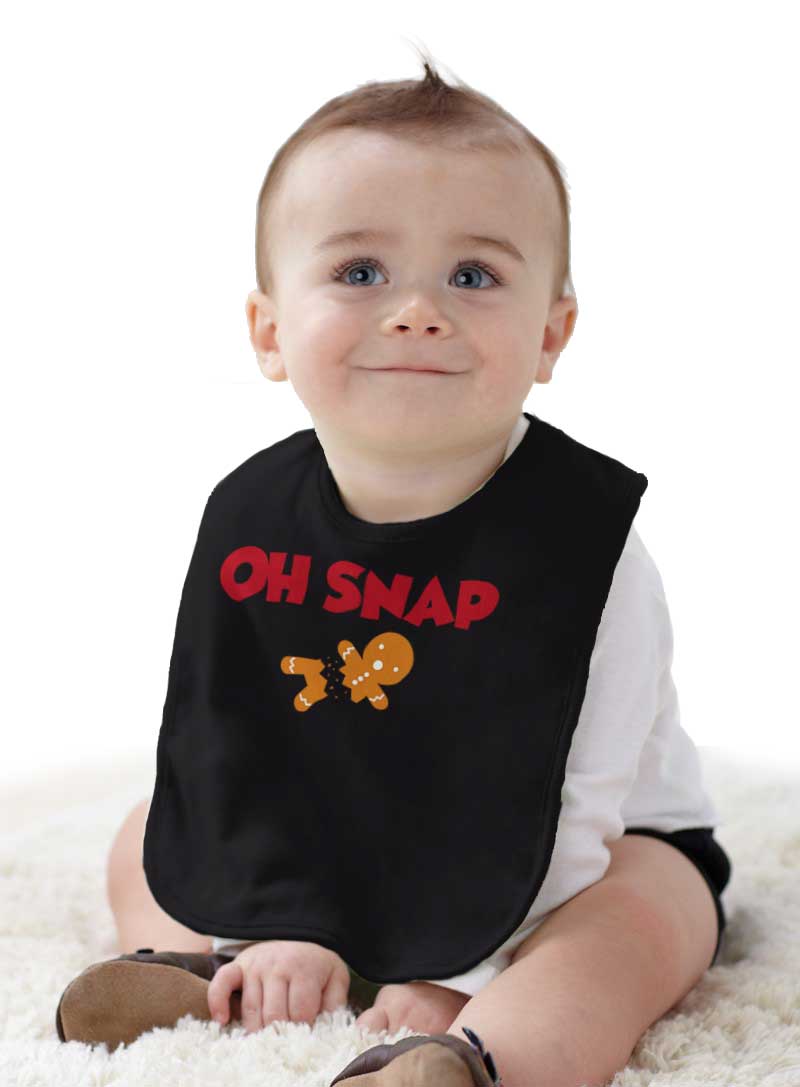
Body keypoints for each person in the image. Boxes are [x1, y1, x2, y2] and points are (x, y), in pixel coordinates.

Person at [56, 47, 732, 1087]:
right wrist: (271, 918)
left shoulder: (581, 547)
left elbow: (573, 800)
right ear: (269, 330)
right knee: (154, 824)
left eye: (474, 275)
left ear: (550, 334)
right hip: (333, 810)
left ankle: (478, 1053)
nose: (418, 309)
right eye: (360, 272)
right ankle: (203, 963)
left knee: (648, 909)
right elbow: (231, 738)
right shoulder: (250, 515)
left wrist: (459, 967)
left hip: (572, 852)